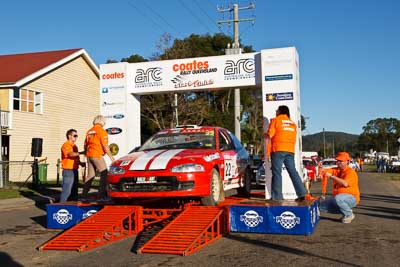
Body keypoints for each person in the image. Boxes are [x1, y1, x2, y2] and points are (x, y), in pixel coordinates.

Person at [264, 105, 307, 201]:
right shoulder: (292, 123)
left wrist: (265, 135)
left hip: (278, 149)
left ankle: (277, 197)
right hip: (290, 150)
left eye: (277, 110)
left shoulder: (275, 120)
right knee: (293, 171)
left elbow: (270, 135)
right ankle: (301, 193)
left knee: (277, 173)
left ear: (280, 111)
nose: (276, 111)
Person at [320, 151, 360, 223]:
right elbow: (327, 171)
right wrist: (321, 172)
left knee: (338, 198)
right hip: (338, 198)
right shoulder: (336, 169)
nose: (338, 162)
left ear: (347, 162)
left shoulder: (351, 172)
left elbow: (345, 183)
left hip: (352, 198)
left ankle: (349, 214)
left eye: (341, 161)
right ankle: (345, 212)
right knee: (322, 206)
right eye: (337, 161)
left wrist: (332, 176)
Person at [82, 115, 115, 201]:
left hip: (89, 155)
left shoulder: (89, 131)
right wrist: (112, 158)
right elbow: (105, 146)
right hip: (97, 155)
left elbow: (85, 145)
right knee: (104, 174)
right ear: (102, 122)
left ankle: (84, 196)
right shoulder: (101, 131)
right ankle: (101, 196)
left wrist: (86, 154)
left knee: (90, 175)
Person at [60, 129, 84, 202]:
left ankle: (72, 206)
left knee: (74, 191)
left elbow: (76, 158)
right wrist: (81, 152)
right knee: (67, 191)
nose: (76, 137)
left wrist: (81, 163)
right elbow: (70, 154)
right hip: (68, 171)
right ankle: (62, 206)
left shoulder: (75, 146)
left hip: (74, 170)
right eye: (75, 135)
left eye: (77, 136)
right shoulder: (66, 145)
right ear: (69, 136)